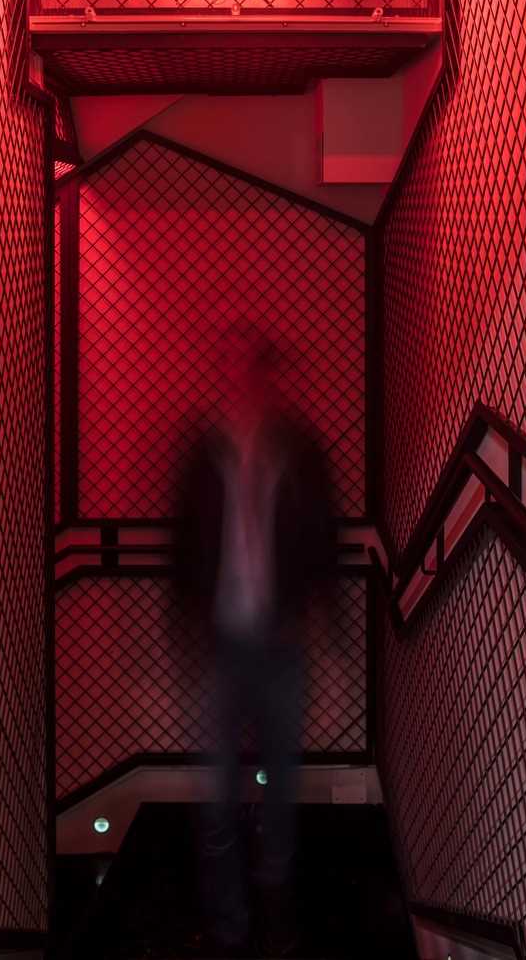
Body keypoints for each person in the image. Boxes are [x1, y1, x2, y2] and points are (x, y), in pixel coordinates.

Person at [173, 324, 338, 955]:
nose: (243, 378)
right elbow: (186, 542)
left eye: (254, 367)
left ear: (269, 376)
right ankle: (229, 924)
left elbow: (321, 531)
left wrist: (318, 614)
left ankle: (274, 898)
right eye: (234, 365)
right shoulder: (204, 451)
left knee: (281, 779)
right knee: (218, 788)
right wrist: (185, 626)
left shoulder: (297, 449)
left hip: (279, 642)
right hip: (221, 642)